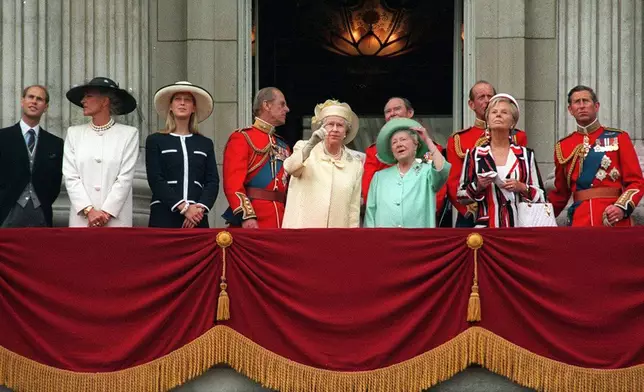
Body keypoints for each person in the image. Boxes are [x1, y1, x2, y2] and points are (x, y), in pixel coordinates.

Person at [548, 85, 644, 226]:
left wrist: (621, 208)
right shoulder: (563, 146)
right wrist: (538, 216)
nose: (581, 106)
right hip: (580, 221)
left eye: (586, 101)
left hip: (612, 219)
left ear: (596, 106)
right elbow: (560, 195)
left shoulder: (619, 138)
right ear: (570, 110)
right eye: (577, 102)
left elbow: (636, 182)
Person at [446, 81, 528, 227]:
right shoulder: (458, 139)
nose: (486, 101)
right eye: (481, 97)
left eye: (490, 96)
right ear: (471, 104)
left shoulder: (517, 137)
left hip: (509, 211)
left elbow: (523, 175)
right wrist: (467, 209)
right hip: (472, 211)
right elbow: (454, 181)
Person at [457, 94, 545, 228]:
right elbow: (461, 197)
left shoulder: (525, 155)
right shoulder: (475, 154)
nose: (498, 115)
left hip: (520, 227)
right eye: (494, 112)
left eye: (504, 112)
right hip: (486, 230)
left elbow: (541, 196)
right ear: (487, 119)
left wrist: (522, 187)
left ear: (512, 122)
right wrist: (478, 186)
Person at [63, 77, 139, 227]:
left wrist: (105, 212)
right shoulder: (74, 134)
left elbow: (125, 178)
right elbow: (70, 176)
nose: (83, 101)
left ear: (105, 101)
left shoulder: (129, 134)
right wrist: (89, 211)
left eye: (89, 96)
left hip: (116, 220)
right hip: (83, 220)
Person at [146, 81, 219, 228]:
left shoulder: (205, 143)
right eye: (178, 99)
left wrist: (198, 210)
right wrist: (184, 208)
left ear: (193, 108)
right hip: (164, 214)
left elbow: (212, 181)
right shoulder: (156, 140)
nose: (182, 103)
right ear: (171, 107)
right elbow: (155, 179)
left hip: (197, 217)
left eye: (187, 100)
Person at [362, 97, 447, 221]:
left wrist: (431, 210)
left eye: (397, 109)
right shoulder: (374, 151)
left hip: (419, 216)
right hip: (386, 217)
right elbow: (368, 188)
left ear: (410, 113)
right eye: (388, 111)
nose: (392, 114)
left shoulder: (429, 149)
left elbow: (438, 183)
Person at [282, 99, 363, 228]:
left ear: (346, 132)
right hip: (302, 233)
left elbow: (353, 208)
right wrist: (310, 144)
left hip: (336, 236)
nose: (335, 129)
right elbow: (290, 168)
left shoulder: (355, 164)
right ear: (321, 128)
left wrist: (351, 238)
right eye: (330, 124)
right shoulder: (304, 148)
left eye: (340, 125)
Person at [222, 87, 291, 228]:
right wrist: (247, 215)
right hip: (255, 220)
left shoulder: (283, 145)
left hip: (283, 219)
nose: (287, 109)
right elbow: (233, 183)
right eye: (282, 104)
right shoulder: (242, 138)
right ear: (267, 105)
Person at [0, 85, 64, 227]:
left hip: (41, 214)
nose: (34, 101)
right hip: (6, 213)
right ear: (23, 101)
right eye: (30, 97)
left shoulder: (55, 143)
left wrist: (41, 201)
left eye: (39, 99)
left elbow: (55, 183)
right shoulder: (2, 137)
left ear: (46, 107)